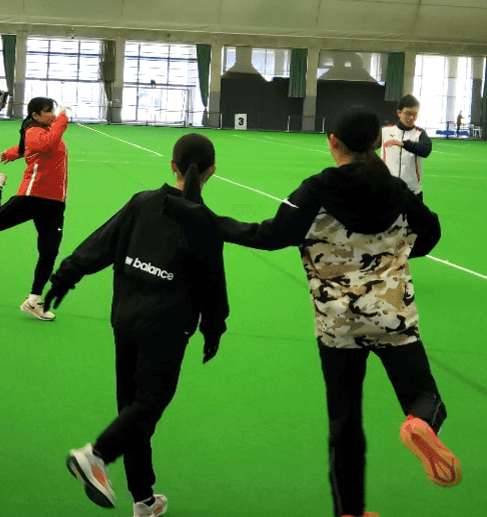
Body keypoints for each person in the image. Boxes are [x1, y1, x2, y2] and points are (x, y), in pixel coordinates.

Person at [172, 109, 458, 517]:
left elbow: (269, 235)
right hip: (392, 316)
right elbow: (430, 233)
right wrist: (396, 253)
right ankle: (421, 424)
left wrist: (205, 219)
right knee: (424, 396)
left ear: (332, 142)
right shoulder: (396, 190)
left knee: (344, 420)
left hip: (336, 324)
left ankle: (350, 512)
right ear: (377, 143)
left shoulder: (316, 190)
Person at [45, 133, 228, 516]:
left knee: (133, 410)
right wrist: (214, 327)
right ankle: (95, 455)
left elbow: (101, 242)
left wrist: (66, 275)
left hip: (125, 318)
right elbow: (213, 283)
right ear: (212, 170)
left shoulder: (142, 202)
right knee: (148, 404)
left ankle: (143, 499)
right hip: (167, 328)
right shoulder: (204, 222)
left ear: (172, 165)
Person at [0, 96, 70, 321]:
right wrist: (63, 118)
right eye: (48, 111)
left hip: (55, 202)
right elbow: (45, 144)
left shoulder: (45, 131)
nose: (53, 115)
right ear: (35, 115)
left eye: (54, 110)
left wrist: (12, 153)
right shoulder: (34, 130)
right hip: (33, 195)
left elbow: (30, 148)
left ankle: (33, 300)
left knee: (49, 252)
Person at [380, 94, 431, 199]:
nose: (411, 118)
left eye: (415, 114)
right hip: (388, 190)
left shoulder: (419, 133)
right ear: (399, 113)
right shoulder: (385, 131)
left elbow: (426, 150)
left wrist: (404, 144)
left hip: (413, 192)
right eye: (408, 113)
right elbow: (367, 145)